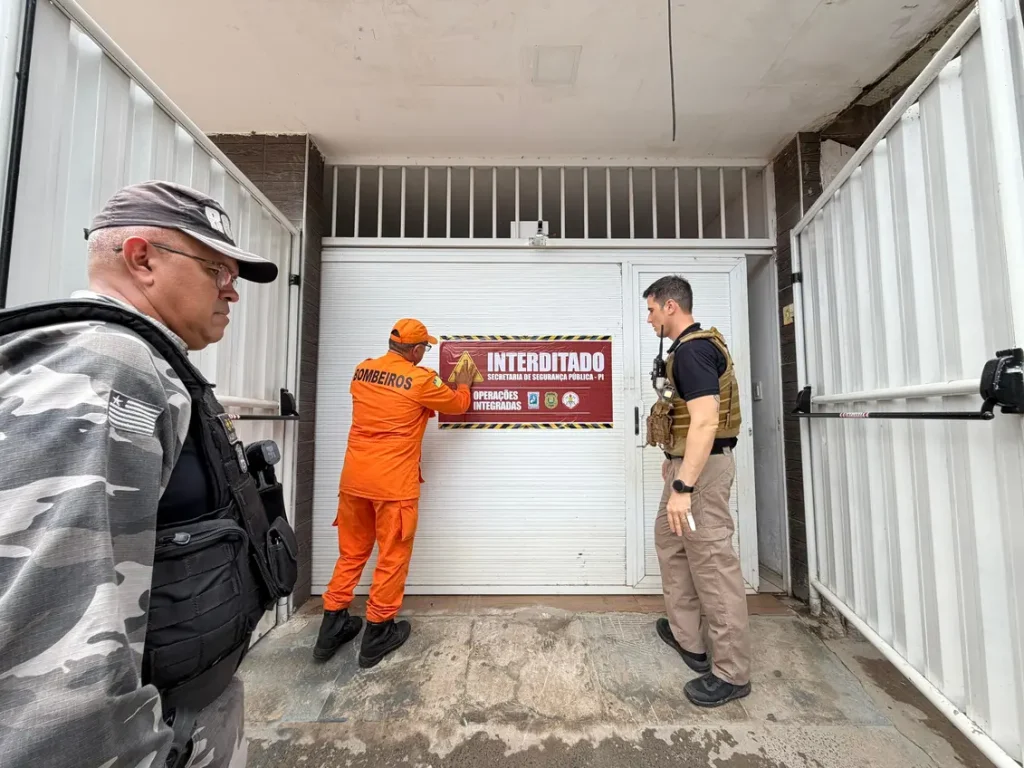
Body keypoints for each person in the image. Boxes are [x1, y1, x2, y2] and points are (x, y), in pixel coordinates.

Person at [0, 180, 297, 768]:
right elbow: (55, 639)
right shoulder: (107, 368)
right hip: (147, 740)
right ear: (142, 259)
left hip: (182, 717)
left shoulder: (149, 365)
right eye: (217, 270)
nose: (232, 292)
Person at [315, 321, 475, 668]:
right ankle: (377, 633)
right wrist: (463, 382)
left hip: (354, 481)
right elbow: (457, 404)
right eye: (425, 348)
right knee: (391, 557)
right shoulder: (420, 380)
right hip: (392, 487)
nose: (425, 353)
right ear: (416, 350)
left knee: (351, 554)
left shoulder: (362, 371)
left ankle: (331, 627)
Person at [643, 274, 752, 707]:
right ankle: (689, 637)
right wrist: (674, 468)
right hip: (686, 469)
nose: (648, 319)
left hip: (701, 475)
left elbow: (706, 421)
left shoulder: (693, 351)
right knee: (671, 543)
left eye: (651, 309)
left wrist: (685, 485)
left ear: (671, 306)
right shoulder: (684, 350)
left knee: (711, 561)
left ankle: (731, 671)